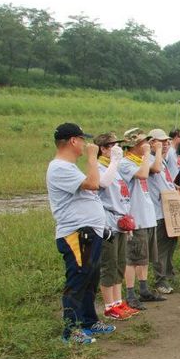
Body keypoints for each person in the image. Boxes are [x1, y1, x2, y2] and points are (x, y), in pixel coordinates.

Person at [46, 123, 116, 344]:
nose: (86, 145)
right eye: (83, 140)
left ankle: (88, 321)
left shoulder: (69, 167)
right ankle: (71, 329)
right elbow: (94, 183)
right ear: (74, 141)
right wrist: (93, 158)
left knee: (89, 278)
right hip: (76, 234)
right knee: (77, 280)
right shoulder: (59, 167)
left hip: (89, 232)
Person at [119, 128, 165, 309]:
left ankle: (144, 289)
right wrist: (148, 153)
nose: (147, 145)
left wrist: (158, 151)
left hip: (148, 216)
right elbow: (143, 174)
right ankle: (130, 293)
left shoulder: (141, 160)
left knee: (144, 257)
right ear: (134, 145)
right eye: (143, 142)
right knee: (133, 258)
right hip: (135, 218)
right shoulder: (125, 163)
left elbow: (157, 168)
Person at [94, 132, 138, 320]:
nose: (116, 149)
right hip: (108, 222)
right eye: (111, 146)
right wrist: (113, 163)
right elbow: (103, 185)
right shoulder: (98, 167)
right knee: (109, 264)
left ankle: (119, 302)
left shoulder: (116, 168)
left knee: (120, 263)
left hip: (121, 221)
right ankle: (109, 305)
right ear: (103, 149)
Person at [148, 128, 180, 295]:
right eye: (161, 142)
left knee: (170, 245)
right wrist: (158, 151)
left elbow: (167, 180)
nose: (165, 145)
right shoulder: (149, 159)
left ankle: (169, 274)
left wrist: (177, 188)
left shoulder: (161, 160)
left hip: (169, 210)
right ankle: (160, 279)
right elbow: (154, 171)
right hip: (157, 212)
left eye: (166, 142)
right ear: (152, 143)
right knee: (161, 248)